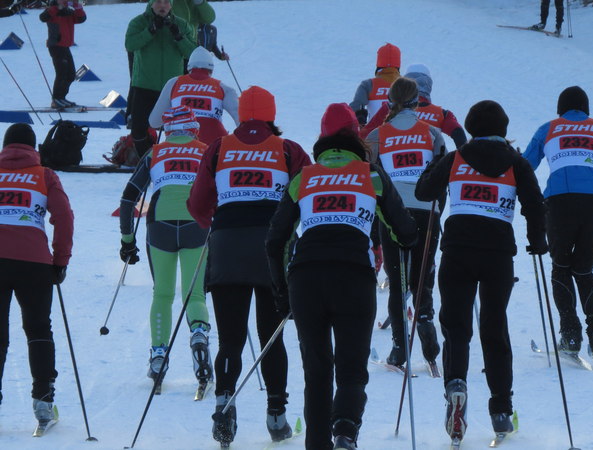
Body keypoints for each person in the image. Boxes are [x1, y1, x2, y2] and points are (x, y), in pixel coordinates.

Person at [266, 103, 417, 450]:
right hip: (353, 276)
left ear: (323, 140)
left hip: (306, 278)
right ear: (356, 138)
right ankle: (345, 431)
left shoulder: (304, 177)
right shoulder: (371, 174)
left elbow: (275, 240)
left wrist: (281, 292)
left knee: (316, 372)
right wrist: (404, 237)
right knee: (351, 368)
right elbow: (405, 231)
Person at [415, 100, 547, 442]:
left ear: (472, 128)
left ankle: (456, 386)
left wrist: (435, 167)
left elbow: (423, 191)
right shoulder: (516, 163)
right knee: (494, 326)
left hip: (457, 249)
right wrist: (537, 241)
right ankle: (501, 409)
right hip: (497, 254)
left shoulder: (456, 158)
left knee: (456, 326)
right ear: (503, 129)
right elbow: (535, 204)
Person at [187, 86, 310, 447]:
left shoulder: (219, 148)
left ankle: (224, 403)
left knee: (230, 339)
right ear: (272, 114)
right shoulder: (288, 150)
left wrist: (217, 222)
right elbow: (310, 197)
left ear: (239, 114)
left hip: (227, 246)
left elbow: (197, 203)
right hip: (272, 249)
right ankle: (277, 416)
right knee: (272, 336)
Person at [523, 86, 593, 361]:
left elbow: (525, 166)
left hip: (559, 199)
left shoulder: (548, 129)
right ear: (586, 109)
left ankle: (571, 334)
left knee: (561, 266)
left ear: (559, 110)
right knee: (584, 269)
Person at [118, 106, 212, 389]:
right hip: (197, 224)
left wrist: (127, 241)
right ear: (194, 128)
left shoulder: (155, 152)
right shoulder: (206, 151)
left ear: (167, 130)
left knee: (162, 293)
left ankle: (159, 355)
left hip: (160, 225)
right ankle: (198, 333)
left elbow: (128, 199)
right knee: (194, 293)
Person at [365, 77, 447, 369]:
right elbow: (441, 175)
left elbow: (369, 178)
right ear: (417, 102)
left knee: (397, 281)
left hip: (393, 211)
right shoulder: (433, 133)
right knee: (422, 276)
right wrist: (437, 212)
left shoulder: (377, 135)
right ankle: (425, 325)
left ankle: (400, 348)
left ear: (389, 102)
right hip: (426, 208)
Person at [0, 123, 73, 426]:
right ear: (34, 149)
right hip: (34, 262)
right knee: (39, 328)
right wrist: (60, 260)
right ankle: (43, 401)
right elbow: (64, 216)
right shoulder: (44, 175)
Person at [125, 0, 197, 158]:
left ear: (171, 5)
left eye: (166, 2)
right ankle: (147, 160)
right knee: (138, 129)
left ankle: (173, 158)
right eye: (158, 1)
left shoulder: (182, 24)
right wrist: (150, 31)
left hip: (172, 88)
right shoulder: (138, 22)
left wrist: (179, 37)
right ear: (151, 3)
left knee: (178, 128)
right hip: (144, 85)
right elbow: (130, 45)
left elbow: (192, 54)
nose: (162, 6)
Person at [361, 63, 468, 149]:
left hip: (391, 166)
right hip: (430, 167)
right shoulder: (441, 114)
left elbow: (364, 136)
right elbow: (458, 133)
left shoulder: (389, 108)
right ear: (429, 85)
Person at [149, 46, 239, 146]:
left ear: (189, 68)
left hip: (180, 146)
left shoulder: (174, 83)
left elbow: (154, 122)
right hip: (213, 146)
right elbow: (241, 120)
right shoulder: (223, 88)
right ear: (211, 70)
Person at [39, 0, 86, 109]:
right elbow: (43, 17)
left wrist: (78, 7)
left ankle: (61, 98)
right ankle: (56, 99)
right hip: (56, 46)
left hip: (65, 46)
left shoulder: (68, 12)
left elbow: (81, 19)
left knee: (70, 74)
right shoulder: (52, 10)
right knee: (62, 73)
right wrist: (57, 7)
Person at [350, 43, 401, 125]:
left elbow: (356, 108)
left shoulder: (368, 84)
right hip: (401, 131)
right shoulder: (408, 85)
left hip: (374, 131)